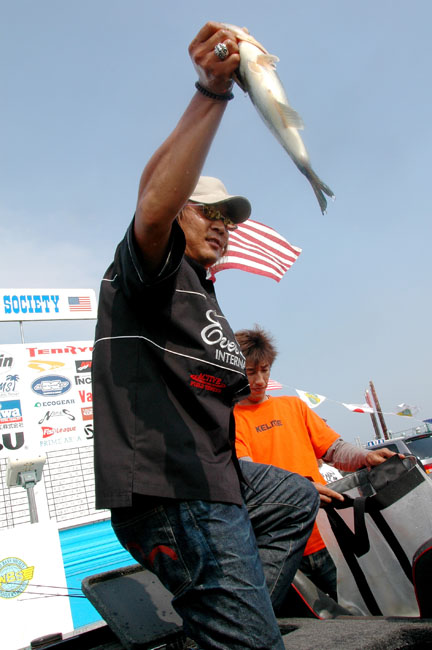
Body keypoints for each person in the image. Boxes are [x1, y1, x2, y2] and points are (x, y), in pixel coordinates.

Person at [92, 22, 319, 650]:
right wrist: (213, 91)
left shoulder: (201, 288)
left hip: (219, 480)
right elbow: (152, 203)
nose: (222, 224)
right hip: (175, 492)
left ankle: (232, 625)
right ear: (175, 213)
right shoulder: (151, 270)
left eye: (228, 217)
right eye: (206, 211)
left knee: (294, 496)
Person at [234, 325, 396, 602]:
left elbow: (334, 449)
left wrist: (365, 456)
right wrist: (300, 491)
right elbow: (250, 478)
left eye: (265, 370)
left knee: (359, 609)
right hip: (279, 548)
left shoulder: (294, 407)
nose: (260, 380)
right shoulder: (231, 419)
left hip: (328, 537)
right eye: (250, 372)